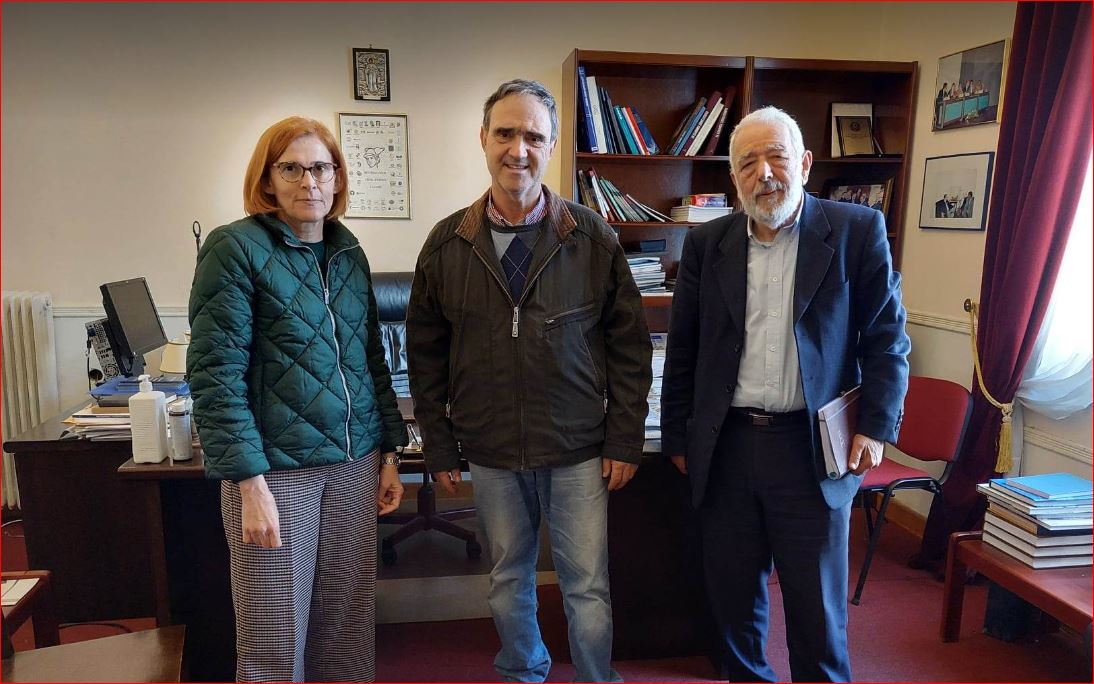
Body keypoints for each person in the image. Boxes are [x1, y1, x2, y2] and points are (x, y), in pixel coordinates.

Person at [406, 79, 652, 682]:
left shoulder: (591, 238)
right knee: (506, 578)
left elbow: (629, 348)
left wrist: (624, 438)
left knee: (586, 585)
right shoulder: (446, 244)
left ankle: (596, 678)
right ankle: (523, 671)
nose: (519, 150)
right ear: (483, 139)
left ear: (552, 146)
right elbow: (426, 357)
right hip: (490, 450)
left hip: (576, 449)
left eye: (534, 137)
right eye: (506, 134)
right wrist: (439, 444)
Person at [661, 106, 909, 682]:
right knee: (733, 603)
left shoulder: (855, 231)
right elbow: (684, 349)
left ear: (804, 162)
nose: (764, 173)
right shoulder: (707, 244)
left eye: (776, 156)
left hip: (812, 448)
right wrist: (678, 437)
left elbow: (886, 341)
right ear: (734, 178)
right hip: (727, 447)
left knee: (816, 610)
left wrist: (875, 427)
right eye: (748, 163)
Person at [188, 116, 408, 682]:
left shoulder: (348, 251)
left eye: (321, 168)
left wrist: (390, 453)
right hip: (277, 473)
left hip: (354, 465)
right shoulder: (234, 248)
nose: (309, 181)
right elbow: (215, 376)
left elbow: (371, 363)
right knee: (274, 637)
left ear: (337, 177)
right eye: (290, 168)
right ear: (267, 178)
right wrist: (248, 483)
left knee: (346, 631)